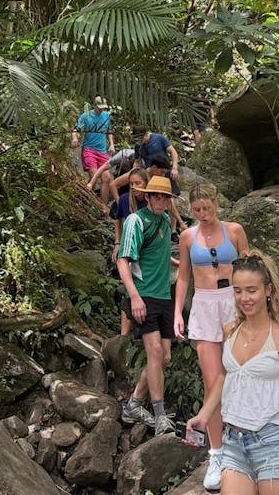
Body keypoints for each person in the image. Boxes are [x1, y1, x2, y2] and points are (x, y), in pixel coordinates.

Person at [187, 251, 279, 494]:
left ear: (268, 290)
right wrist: (204, 416)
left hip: (273, 442)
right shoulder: (230, 331)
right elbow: (225, 376)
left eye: (251, 290)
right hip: (234, 441)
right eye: (237, 290)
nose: (244, 298)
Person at [173, 183, 250, 491]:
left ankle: (243, 444)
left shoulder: (234, 231)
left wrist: (258, 308)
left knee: (241, 374)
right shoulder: (188, 237)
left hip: (234, 302)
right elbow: (183, 277)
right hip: (204, 304)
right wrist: (177, 312)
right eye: (197, 210)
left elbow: (251, 269)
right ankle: (217, 452)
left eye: (207, 208)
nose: (203, 215)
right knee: (212, 380)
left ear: (217, 204)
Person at [117, 175, 178, 434]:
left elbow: (162, 254)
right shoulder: (136, 221)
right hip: (144, 295)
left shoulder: (164, 220)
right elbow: (123, 260)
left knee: (164, 358)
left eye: (165, 197)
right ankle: (160, 415)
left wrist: (182, 264)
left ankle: (134, 404)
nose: (160, 201)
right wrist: (134, 296)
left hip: (164, 295)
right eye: (156, 196)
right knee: (154, 352)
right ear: (147, 196)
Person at [111, 168, 151, 336]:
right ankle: (124, 334)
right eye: (132, 183)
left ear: (146, 184)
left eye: (138, 183)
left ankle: (145, 326)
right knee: (129, 288)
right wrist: (117, 243)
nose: (134, 187)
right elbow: (118, 221)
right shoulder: (125, 200)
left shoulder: (151, 202)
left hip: (146, 249)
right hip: (129, 248)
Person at [111, 153, 186, 232]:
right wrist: (120, 202)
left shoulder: (157, 180)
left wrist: (180, 222)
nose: (163, 175)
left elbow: (169, 202)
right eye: (162, 172)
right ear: (154, 168)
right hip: (128, 202)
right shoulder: (138, 173)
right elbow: (113, 185)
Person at [72, 96, 115, 202]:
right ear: (94, 105)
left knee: (106, 178)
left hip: (102, 151)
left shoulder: (106, 116)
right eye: (99, 107)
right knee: (93, 175)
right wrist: (74, 138)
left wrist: (111, 144)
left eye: (103, 108)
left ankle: (104, 206)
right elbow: (75, 129)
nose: (101, 109)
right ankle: (91, 203)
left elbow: (109, 132)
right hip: (89, 149)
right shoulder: (86, 116)